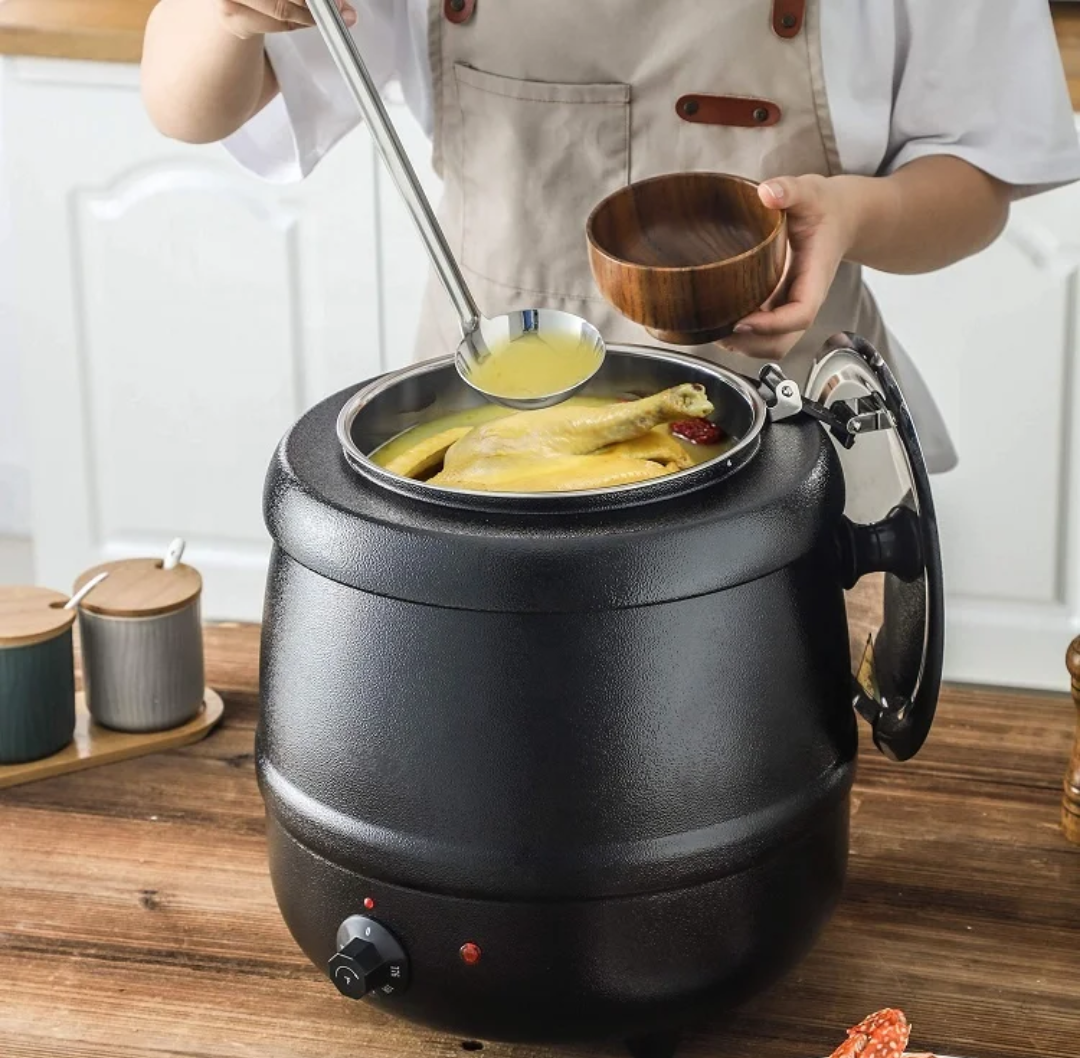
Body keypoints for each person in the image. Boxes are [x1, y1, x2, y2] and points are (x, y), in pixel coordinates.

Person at [141, 0, 1080, 641]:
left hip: (786, 471)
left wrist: (855, 217)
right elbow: (195, 104)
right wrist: (218, 15)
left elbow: (981, 174)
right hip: (472, 472)